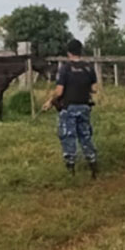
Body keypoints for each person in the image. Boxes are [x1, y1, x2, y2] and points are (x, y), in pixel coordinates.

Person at [42, 39, 99, 179]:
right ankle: (92, 164)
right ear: (81, 51)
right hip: (85, 106)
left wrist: (50, 101)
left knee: (68, 136)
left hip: (69, 107)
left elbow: (59, 91)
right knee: (85, 135)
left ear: (68, 53)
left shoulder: (65, 68)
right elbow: (95, 89)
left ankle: (70, 169)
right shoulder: (89, 67)